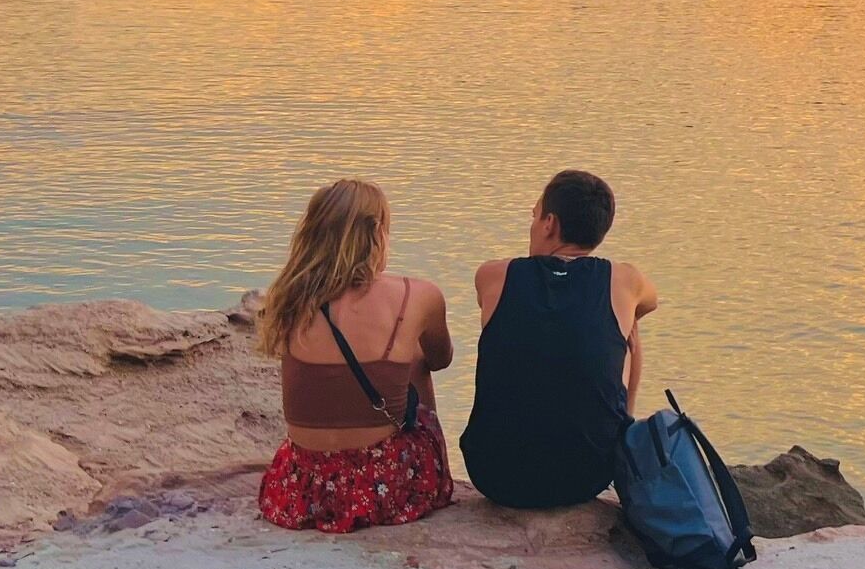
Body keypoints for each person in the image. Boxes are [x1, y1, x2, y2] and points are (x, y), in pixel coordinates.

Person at [254, 178, 456, 533]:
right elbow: (440, 359)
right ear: (378, 232)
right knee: (414, 362)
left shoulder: (287, 299)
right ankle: (434, 479)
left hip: (301, 488)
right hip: (382, 488)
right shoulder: (418, 295)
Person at [458, 169, 659, 509]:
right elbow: (650, 302)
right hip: (587, 476)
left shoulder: (493, 275)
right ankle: (626, 429)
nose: (533, 224)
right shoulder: (625, 279)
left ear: (550, 223)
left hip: (494, 473)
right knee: (629, 329)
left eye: (535, 215)